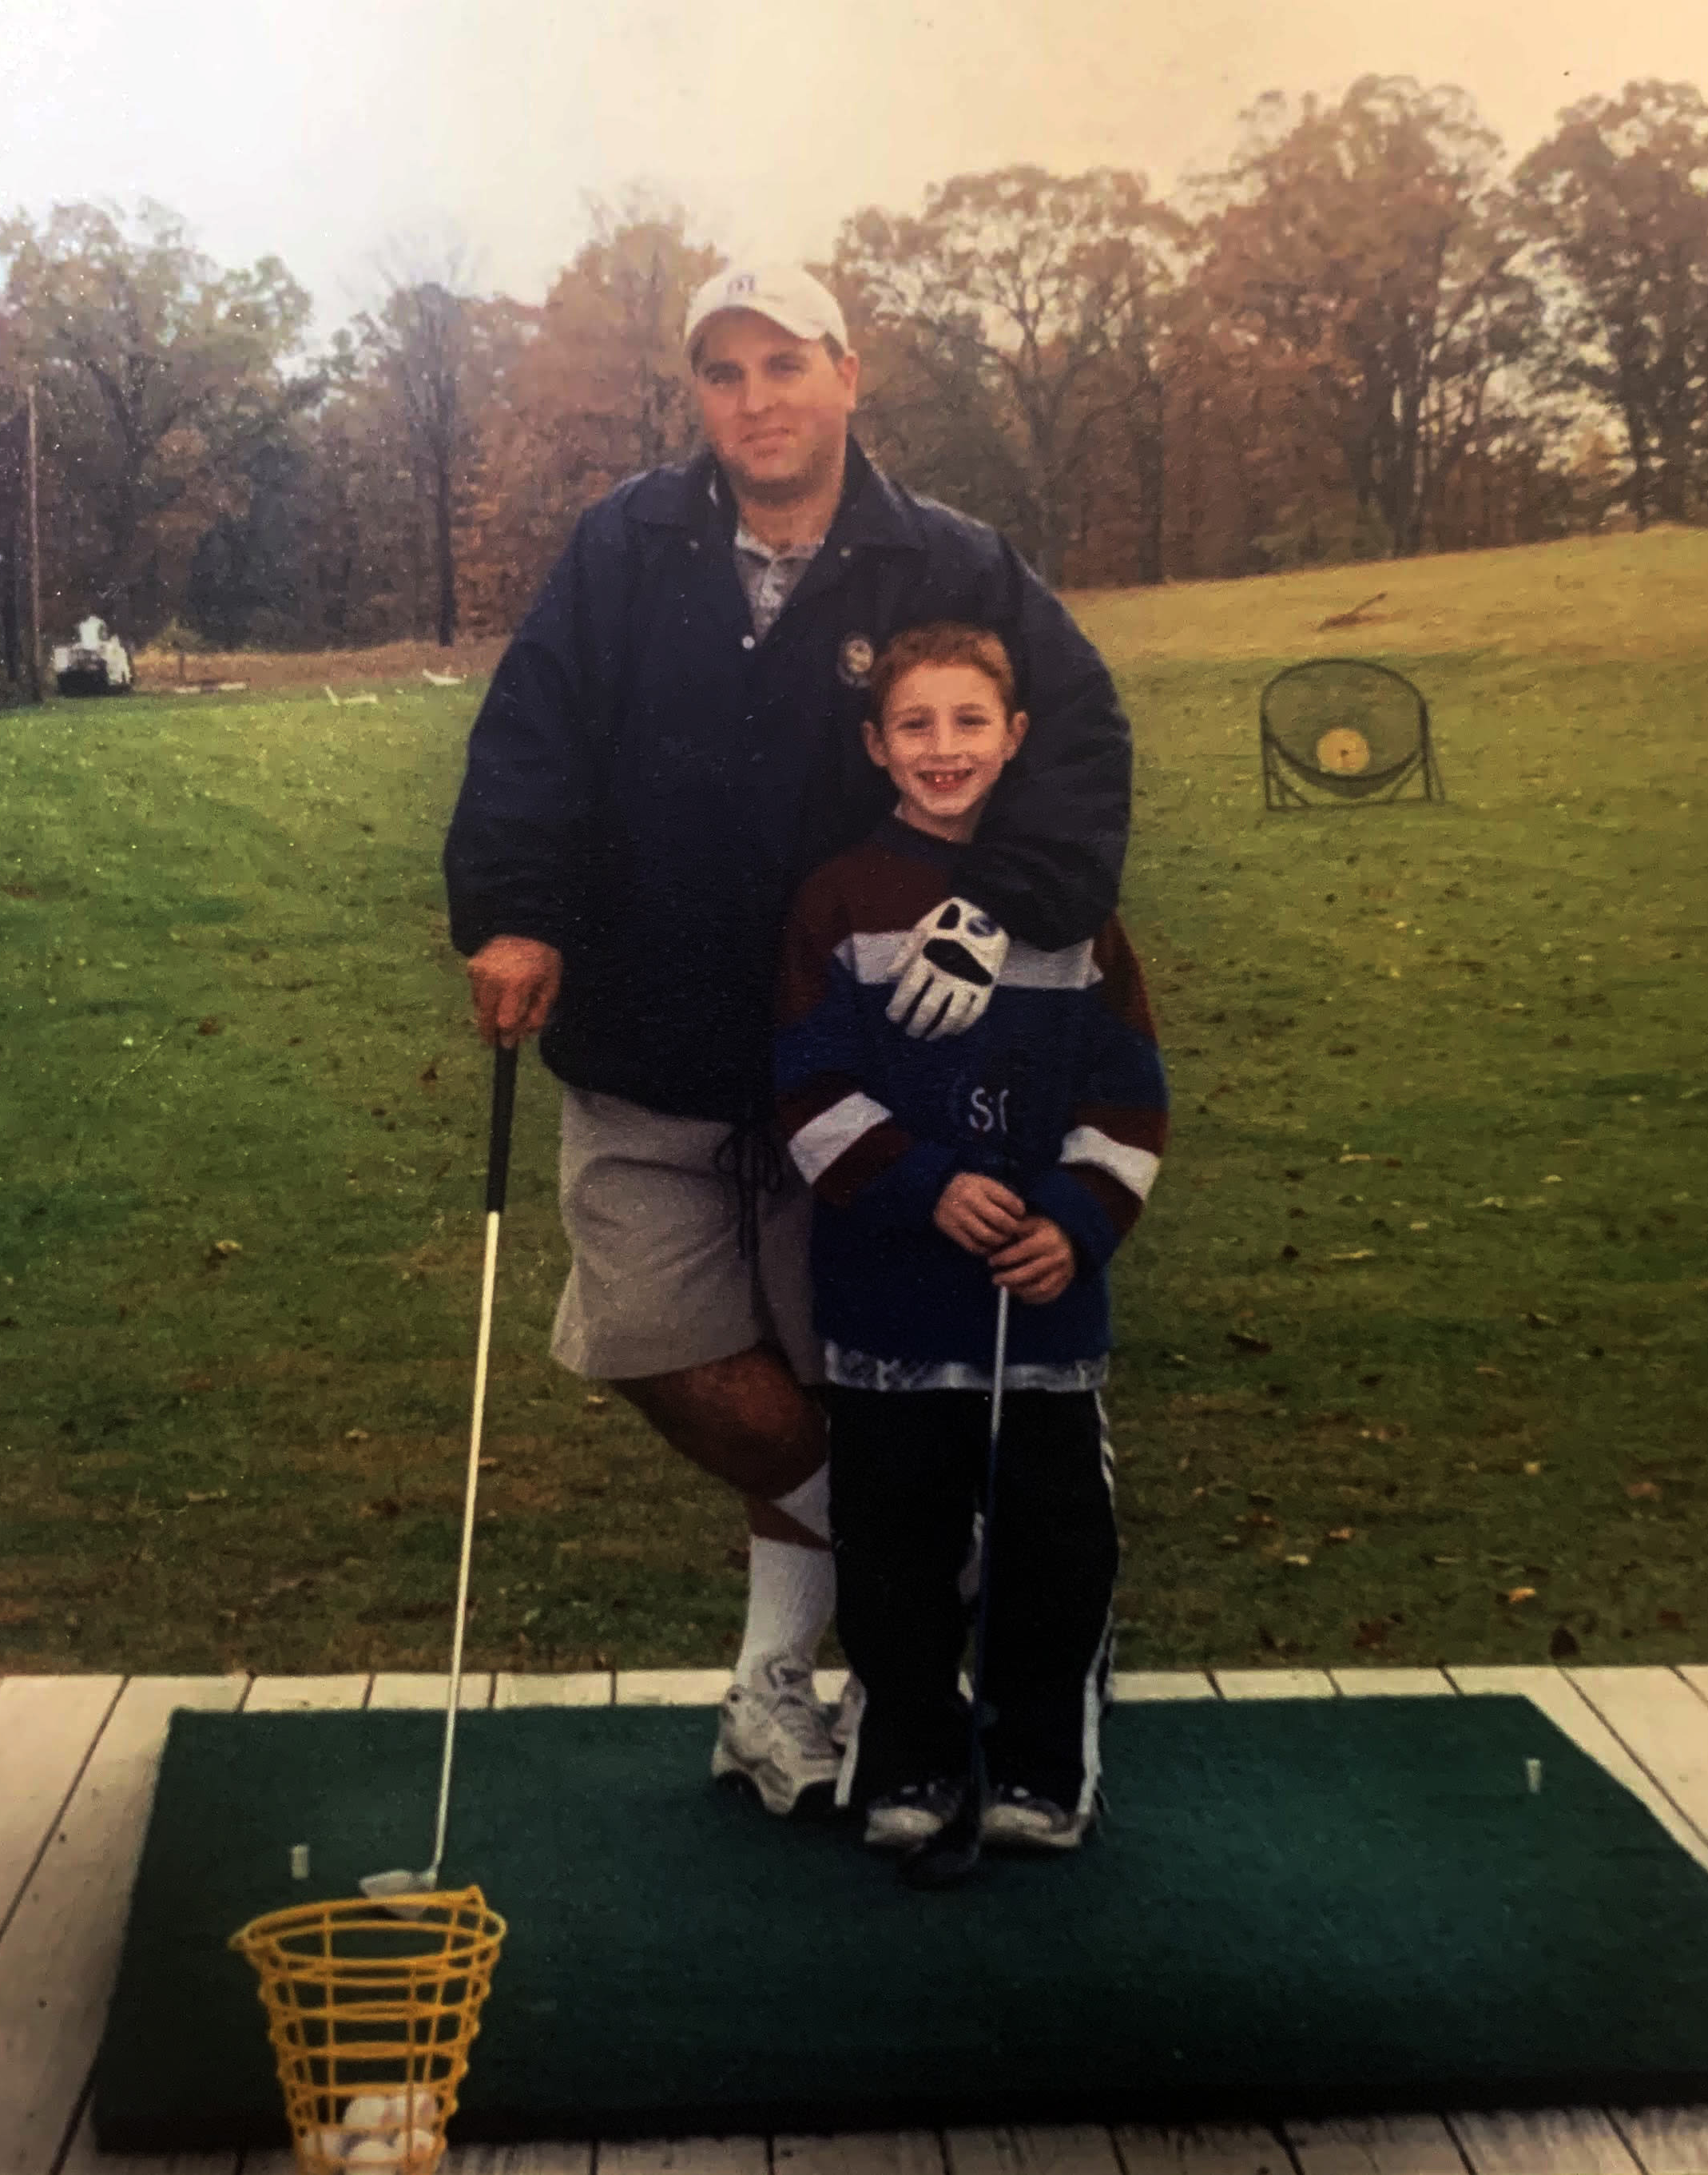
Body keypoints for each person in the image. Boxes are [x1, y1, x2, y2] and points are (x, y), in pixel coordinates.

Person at [443, 263, 1133, 1819]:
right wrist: (511, 909)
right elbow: (534, 731)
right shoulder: (626, 543)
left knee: (837, 1366)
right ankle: (936, 1557)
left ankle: (775, 1690)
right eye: (720, 370)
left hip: (862, 1058)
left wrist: (998, 910)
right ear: (697, 394)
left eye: (782, 363)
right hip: (648, 1033)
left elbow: (1070, 746)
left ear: (846, 371)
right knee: (668, 1348)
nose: (753, 397)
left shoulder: (942, 558)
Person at [771, 622, 1166, 1851]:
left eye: (969, 722)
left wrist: (1075, 1220)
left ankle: (1043, 1767)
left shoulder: (1072, 911)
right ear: (875, 745)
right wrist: (923, 1183)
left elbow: (1129, 1097)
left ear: (1016, 737)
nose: (944, 748)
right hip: (891, 1307)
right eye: (916, 725)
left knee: (1056, 1547)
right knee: (894, 1550)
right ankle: (908, 1759)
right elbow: (809, 1092)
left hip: (1040, 1317)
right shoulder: (837, 896)